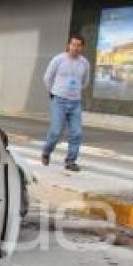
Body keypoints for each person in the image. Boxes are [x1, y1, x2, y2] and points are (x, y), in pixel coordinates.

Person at [41, 35, 90, 172]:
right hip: (59, 100)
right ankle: (46, 151)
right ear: (68, 45)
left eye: (79, 45)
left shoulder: (84, 63)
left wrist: (75, 92)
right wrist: (53, 92)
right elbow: (47, 78)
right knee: (56, 131)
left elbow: (85, 81)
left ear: (82, 47)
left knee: (77, 133)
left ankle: (70, 161)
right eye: (73, 44)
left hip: (75, 102)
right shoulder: (58, 59)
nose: (75, 48)